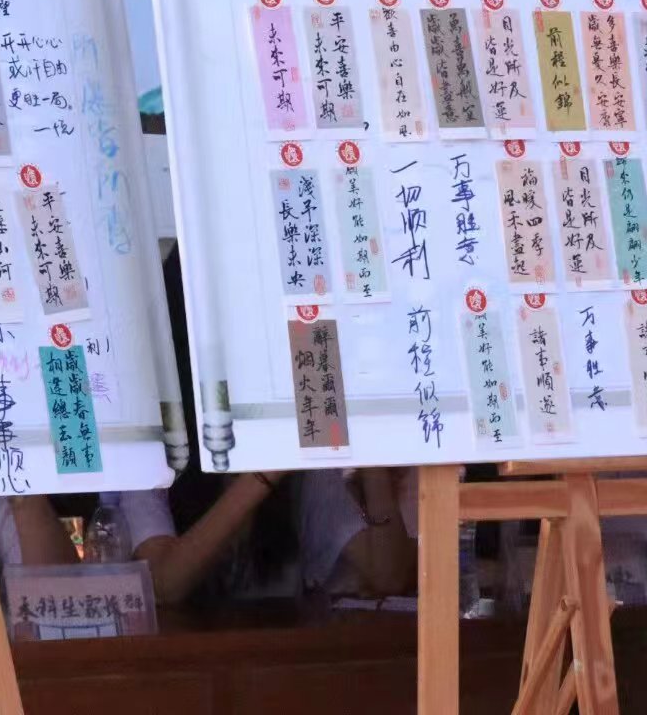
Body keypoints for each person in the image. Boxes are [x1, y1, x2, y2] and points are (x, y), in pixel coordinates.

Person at [104, 250, 417, 605]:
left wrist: (367, 438)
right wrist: (265, 473)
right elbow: (164, 584)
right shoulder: (150, 444)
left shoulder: (296, 456)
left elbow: (387, 574)